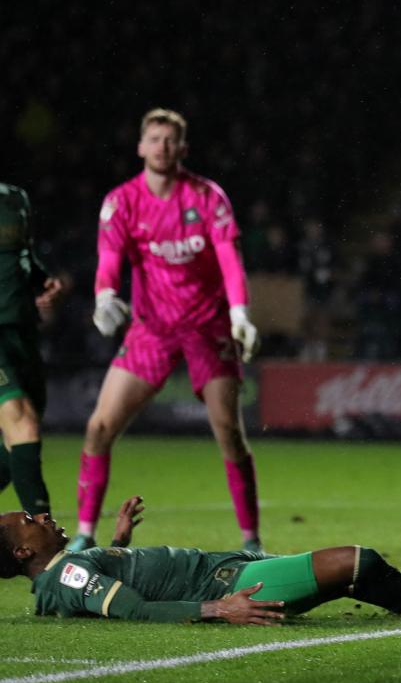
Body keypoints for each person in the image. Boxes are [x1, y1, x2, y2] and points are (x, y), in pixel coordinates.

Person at [69, 108, 264, 553]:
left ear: (183, 148)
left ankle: (251, 540)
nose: (162, 147)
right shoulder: (122, 201)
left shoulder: (207, 197)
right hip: (152, 331)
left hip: (208, 326)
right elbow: (109, 260)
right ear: (141, 146)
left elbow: (230, 259)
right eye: (155, 139)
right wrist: (104, 297)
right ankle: (83, 533)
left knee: (229, 432)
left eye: (171, 140)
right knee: (99, 427)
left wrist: (239, 314)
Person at [0, 496, 401, 624]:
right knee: (359, 563)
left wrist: (119, 541)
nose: (40, 515)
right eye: (28, 520)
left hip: (229, 568)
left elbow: (98, 581)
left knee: (368, 578)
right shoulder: (67, 574)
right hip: (232, 584)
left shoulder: (68, 567)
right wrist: (219, 608)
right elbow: (133, 608)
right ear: (23, 551)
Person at [0, 183, 65, 518]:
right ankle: (44, 537)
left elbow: (22, 255)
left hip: (22, 332)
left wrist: (43, 282)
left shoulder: (15, 197)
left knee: (20, 440)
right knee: (23, 424)